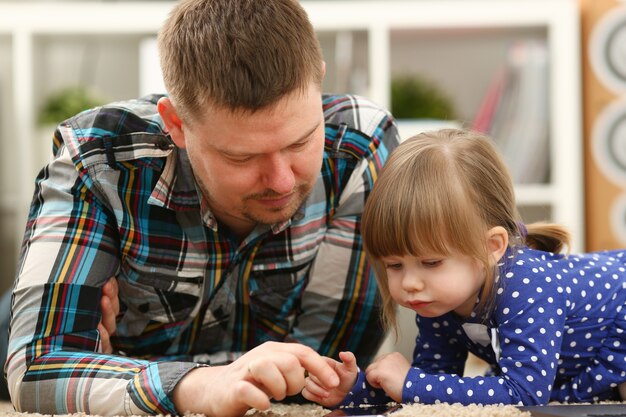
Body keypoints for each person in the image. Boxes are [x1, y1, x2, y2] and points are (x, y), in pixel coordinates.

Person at [4, 0, 400, 415]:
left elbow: (320, 372)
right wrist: (198, 385)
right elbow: (36, 369)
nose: (282, 181)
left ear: (319, 79)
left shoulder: (360, 149)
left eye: (300, 142)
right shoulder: (101, 159)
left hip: (127, 357)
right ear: (176, 124)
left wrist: (112, 368)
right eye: (241, 158)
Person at [302, 128, 626, 408]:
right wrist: (361, 389)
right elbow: (435, 383)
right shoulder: (438, 297)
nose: (410, 283)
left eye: (431, 262)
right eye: (394, 265)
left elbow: (526, 393)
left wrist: (411, 383)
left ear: (492, 247)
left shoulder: (526, 285)